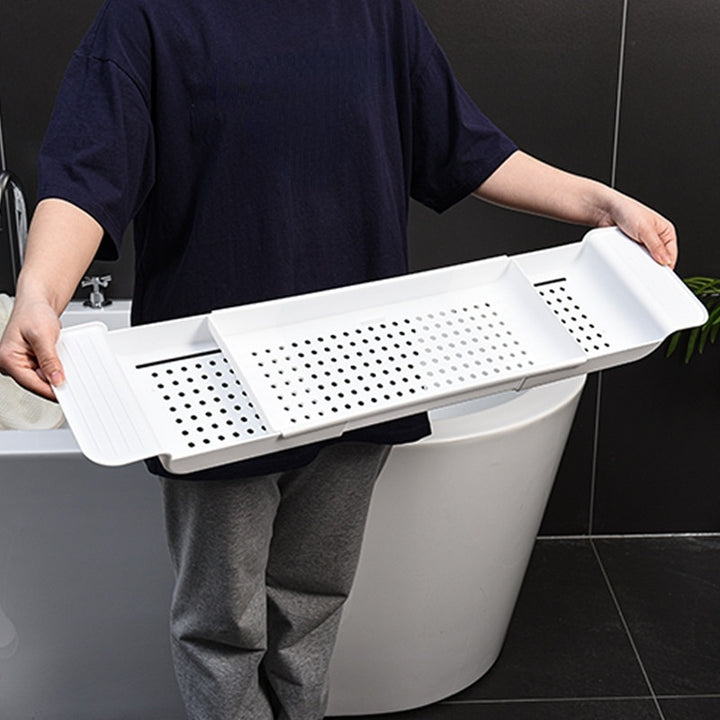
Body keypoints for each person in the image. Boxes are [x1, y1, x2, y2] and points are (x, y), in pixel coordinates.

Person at [0, 1, 677, 718]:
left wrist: (600, 205)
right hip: (210, 382)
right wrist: (40, 294)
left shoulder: (377, 14)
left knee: (312, 600)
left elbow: (468, 148)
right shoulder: (146, 20)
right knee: (221, 623)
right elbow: (86, 174)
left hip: (363, 366)